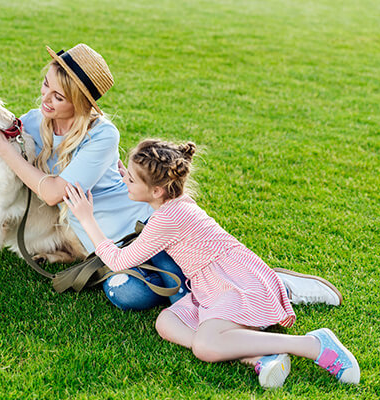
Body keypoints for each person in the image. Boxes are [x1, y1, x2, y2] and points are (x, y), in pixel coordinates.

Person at [0, 43, 342, 311]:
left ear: (79, 104)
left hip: (143, 230)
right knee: (127, 295)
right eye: (46, 85)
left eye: (58, 96)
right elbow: (11, 179)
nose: (45, 99)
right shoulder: (34, 122)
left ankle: (278, 286)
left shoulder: (102, 135)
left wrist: (3, 147)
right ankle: (227, 287)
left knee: (191, 285)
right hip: (107, 249)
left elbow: (51, 192)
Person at [63, 139, 359, 388]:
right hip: (212, 285)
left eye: (129, 178)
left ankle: (311, 345)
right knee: (167, 322)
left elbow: (118, 260)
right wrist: (133, 177)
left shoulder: (167, 219)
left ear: (156, 191)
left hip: (235, 283)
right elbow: (150, 197)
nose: (122, 179)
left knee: (204, 346)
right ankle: (256, 355)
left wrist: (87, 218)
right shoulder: (175, 203)